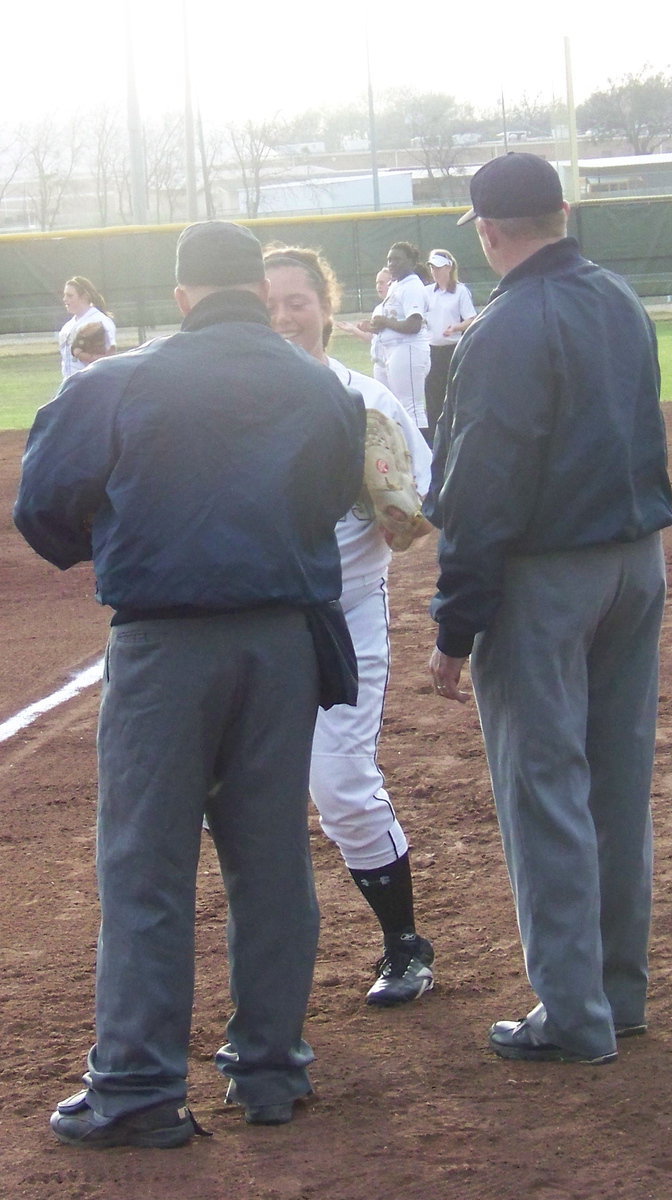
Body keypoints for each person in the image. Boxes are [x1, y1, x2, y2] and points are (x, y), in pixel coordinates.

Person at [14, 221, 365, 1146]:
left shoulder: (121, 379)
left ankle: (135, 1086)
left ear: (180, 296)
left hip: (166, 647)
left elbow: (42, 506)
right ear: (255, 288)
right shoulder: (319, 383)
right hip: (283, 641)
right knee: (271, 858)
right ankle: (271, 1071)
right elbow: (331, 496)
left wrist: (136, 538)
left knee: (146, 866)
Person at [426, 153, 672, 1065]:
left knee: (545, 789)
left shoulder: (503, 326)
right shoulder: (620, 298)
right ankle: (618, 995)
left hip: (546, 580)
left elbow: (482, 489)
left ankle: (573, 1015)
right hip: (636, 563)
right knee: (616, 782)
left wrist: (455, 623)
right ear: (563, 212)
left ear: (488, 231)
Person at [264, 244, 436, 1006]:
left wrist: (395, 500)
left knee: (340, 785)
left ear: (327, 307)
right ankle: (266, 972)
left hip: (344, 616)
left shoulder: (368, 401)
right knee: (239, 797)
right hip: (253, 623)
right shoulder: (230, 402)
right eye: (266, 303)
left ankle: (405, 945)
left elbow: (419, 504)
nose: (283, 318)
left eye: (296, 301)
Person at [363, 242, 430, 430]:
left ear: (411, 261)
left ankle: (423, 456)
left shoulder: (413, 286)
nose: (391, 263)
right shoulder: (397, 285)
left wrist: (384, 321)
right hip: (392, 349)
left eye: (397, 259)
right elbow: (393, 320)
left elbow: (414, 325)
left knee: (411, 407)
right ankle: (402, 454)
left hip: (408, 347)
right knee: (393, 407)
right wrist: (377, 326)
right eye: (389, 260)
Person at [423, 249, 477, 443]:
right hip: (431, 351)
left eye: (438, 267)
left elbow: (471, 318)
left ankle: (453, 436)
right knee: (432, 397)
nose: (435, 272)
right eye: (432, 267)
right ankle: (434, 439)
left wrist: (456, 327)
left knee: (453, 395)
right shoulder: (427, 292)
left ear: (448, 267)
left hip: (452, 350)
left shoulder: (460, 291)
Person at [337, 267, 392, 386]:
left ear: (392, 283)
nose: (378, 286)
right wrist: (353, 329)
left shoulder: (396, 307)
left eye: (382, 283)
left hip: (393, 364)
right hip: (379, 365)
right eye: (377, 283)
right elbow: (371, 338)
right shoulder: (378, 309)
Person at [58, 276, 117, 379]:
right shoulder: (67, 327)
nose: (65, 299)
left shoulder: (100, 321)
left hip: (93, 384)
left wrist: (83, 355)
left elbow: (110, 358)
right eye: (65, 295)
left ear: (84, 297)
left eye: (70, 296)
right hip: (69, 385)